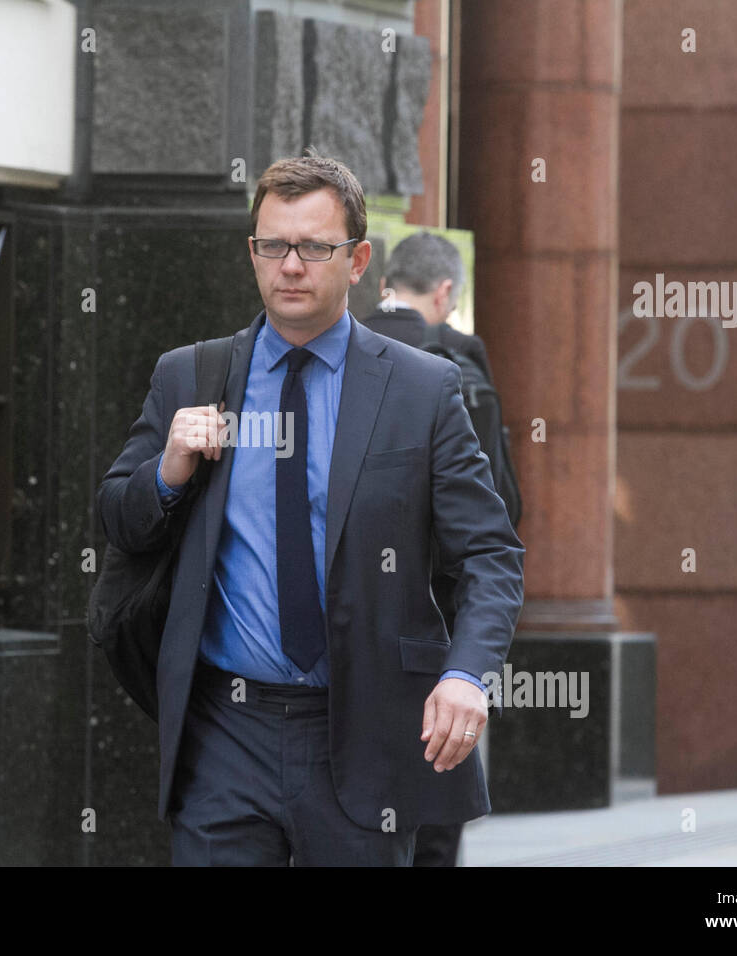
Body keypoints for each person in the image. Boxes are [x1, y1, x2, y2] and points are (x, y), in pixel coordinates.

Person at [97, 153, 524, 866]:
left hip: (364, 730)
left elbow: (490, 553)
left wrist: (466, 674)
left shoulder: (422, 391)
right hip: (224, 735)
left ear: (357, 261)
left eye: (314, 247)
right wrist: (167, 471)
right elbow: (117, 519)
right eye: (273, 245)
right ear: (253, 253)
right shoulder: (192, 375)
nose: (290, 266)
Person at [362, 230, 496, 867]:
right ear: (445, 291)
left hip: (338, 643)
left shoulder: (330, 353)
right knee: (433, 827)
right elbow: (496, 524)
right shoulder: (456, 370)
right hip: (440, 641)